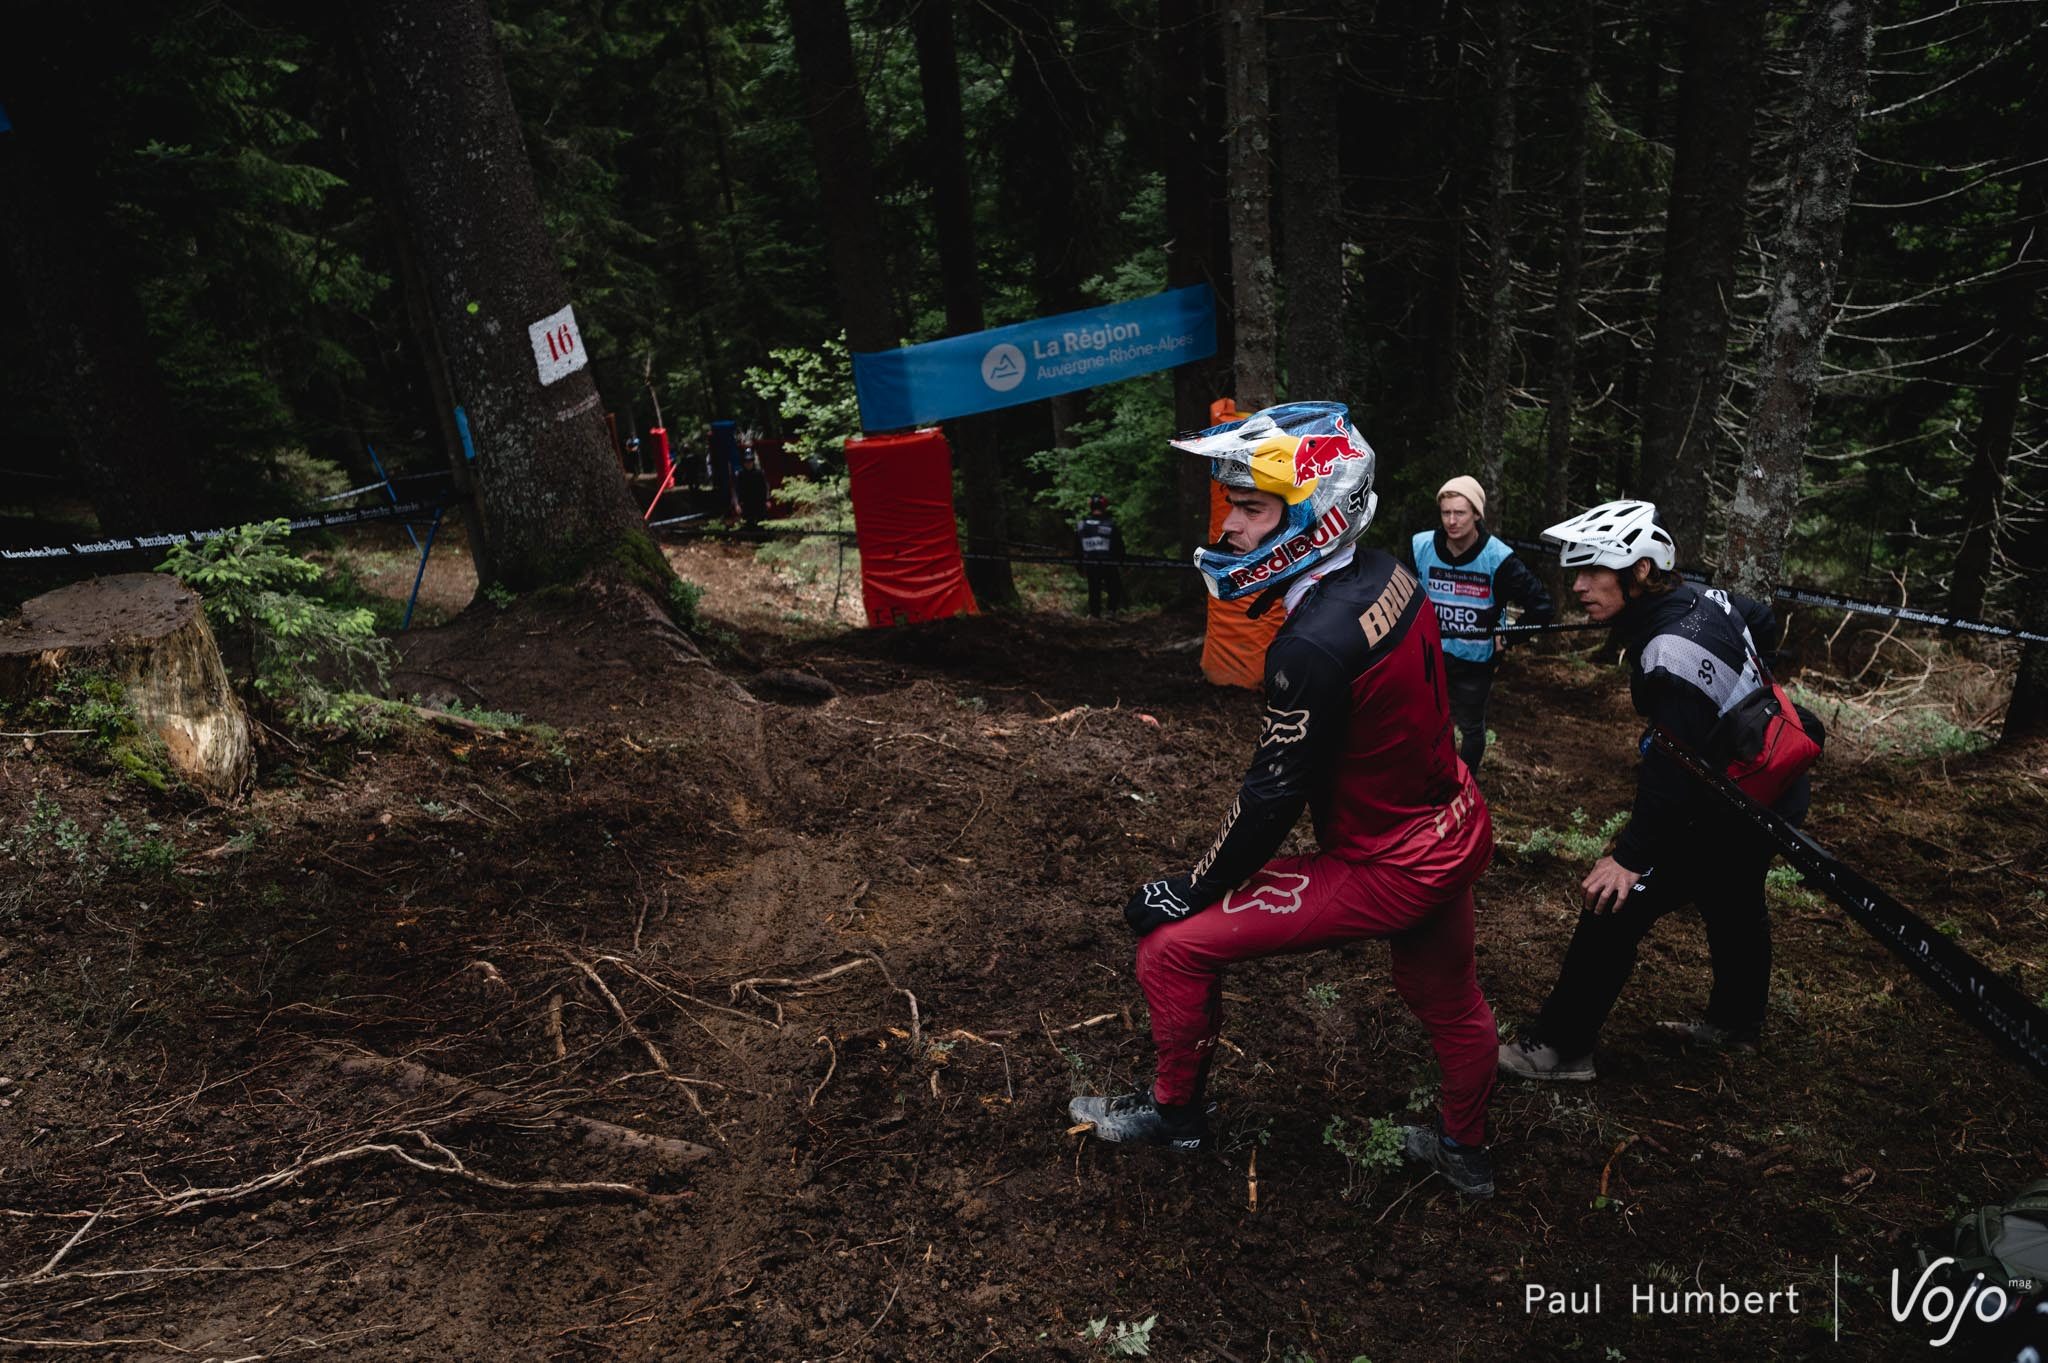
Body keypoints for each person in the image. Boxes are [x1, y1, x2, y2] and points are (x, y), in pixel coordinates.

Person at [1067, 401, 1502, 1197]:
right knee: (1446, 995)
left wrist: (1193, 886)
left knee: (1171, 945)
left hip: (1389, 861)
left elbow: (1272, 793)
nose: (1230, 527)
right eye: (1232, 505)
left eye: (1251, 508)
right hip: (1454, 823)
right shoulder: (1389, 571)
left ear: (1315, 514)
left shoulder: (1311, 644)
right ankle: (1465, 1152)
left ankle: (1176, 1116)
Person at [1497, 500, 1812, 1083]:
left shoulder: (1669, 652)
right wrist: (1753, 695)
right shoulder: (1703, 598)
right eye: (1575, 572)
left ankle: (1561, 1048)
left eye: (1593, 571)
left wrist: (1628, 858)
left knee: (1612, 904)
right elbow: (1761, 616)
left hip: (1733, 801)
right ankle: (1736, 1025)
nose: (1578, 586)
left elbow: (1671, 779)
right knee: (1733, 894)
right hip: (1772, 787)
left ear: (1640, 570)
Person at [1408, 475, 1553, 773]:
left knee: (1471, 728)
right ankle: (1429, 777)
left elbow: (1542, 606)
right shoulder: (1421, 545)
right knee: (1425, 721)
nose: (1451, 521)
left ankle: (1466, 785)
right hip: (1429, 655)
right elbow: (1400, 593)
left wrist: (1508, 637)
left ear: (1476, 514)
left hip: (1475, 661)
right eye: (1446, 513)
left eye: (1460, 513)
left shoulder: (1498, 557)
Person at [1074, 494, 1125, 616]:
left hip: (1090, 563)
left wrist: (1078, 566)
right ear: (1104, 507)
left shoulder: (1081, 525)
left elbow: (1077, 547)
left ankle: (1095, 614)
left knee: (1094, 588)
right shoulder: (1110, 525)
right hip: (1108, 563)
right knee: (1114, 586)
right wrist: (1122, 561)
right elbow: (1119, 546)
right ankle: (1111, 611)